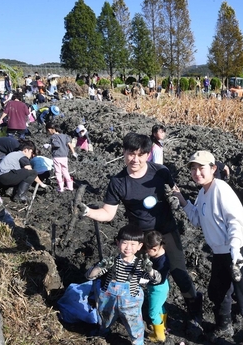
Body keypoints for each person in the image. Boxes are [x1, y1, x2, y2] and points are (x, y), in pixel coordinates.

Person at [78, 133, 203, 325]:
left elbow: (175, 192)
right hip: (140, 238)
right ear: (124, 153)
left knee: (179, 271)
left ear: (147, 154)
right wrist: (87, 212)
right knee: (140, 274)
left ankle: (194, 310)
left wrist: (178, 201)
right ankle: (143, 309)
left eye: (140, 154)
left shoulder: (161, 172)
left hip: (167, 230)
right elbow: (108, 213)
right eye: (130, 153)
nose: (135, 159)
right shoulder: (118, 182)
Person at [174, 150, 243, 345]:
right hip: (220, 252)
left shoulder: (221, 190)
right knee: (217, 291)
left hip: (239, 251)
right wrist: (181, 199)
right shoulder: (203, 193)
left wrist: (236, 251)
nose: (197, 173)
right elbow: (197, 218)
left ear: (213, 168)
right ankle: (224, 325)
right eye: (193, 168)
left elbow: (236, 223)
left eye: (202, 168)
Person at [85, 224, 150, 345]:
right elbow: (90, 276)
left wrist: (150, 271)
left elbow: (154, 279)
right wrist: (99, 267)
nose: (128, 247)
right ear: (117, 243)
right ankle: (103, 332)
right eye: (124, 243)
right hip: (108, 299)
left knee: (135, 326)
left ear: (139, 246)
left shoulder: (140, 265)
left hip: (130, 302)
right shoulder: (110, 262)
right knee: (105, 318)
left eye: (133, 244)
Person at [143, 230, 170, 342]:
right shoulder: (161, 252)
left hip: (157, 289)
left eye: (147, 249)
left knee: (153, 312)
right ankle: (162, 324)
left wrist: (147, 273)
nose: (146, 251)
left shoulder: (162, 262)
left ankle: (159, 336)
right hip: (163, 287)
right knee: (160, 306)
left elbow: (158, 278)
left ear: (154, 249)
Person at [46, 121, 77, 192]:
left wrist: (49, 145)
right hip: (64, 157)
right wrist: (73, 153)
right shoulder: (65, 136)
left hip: (57, 157)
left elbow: (56, 145)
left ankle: (61, 188)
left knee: (58, 172)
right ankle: (70, 187)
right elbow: (70, 145)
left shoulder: (53, 137)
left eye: (48, 131)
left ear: (50, 129)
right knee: (65, 171)